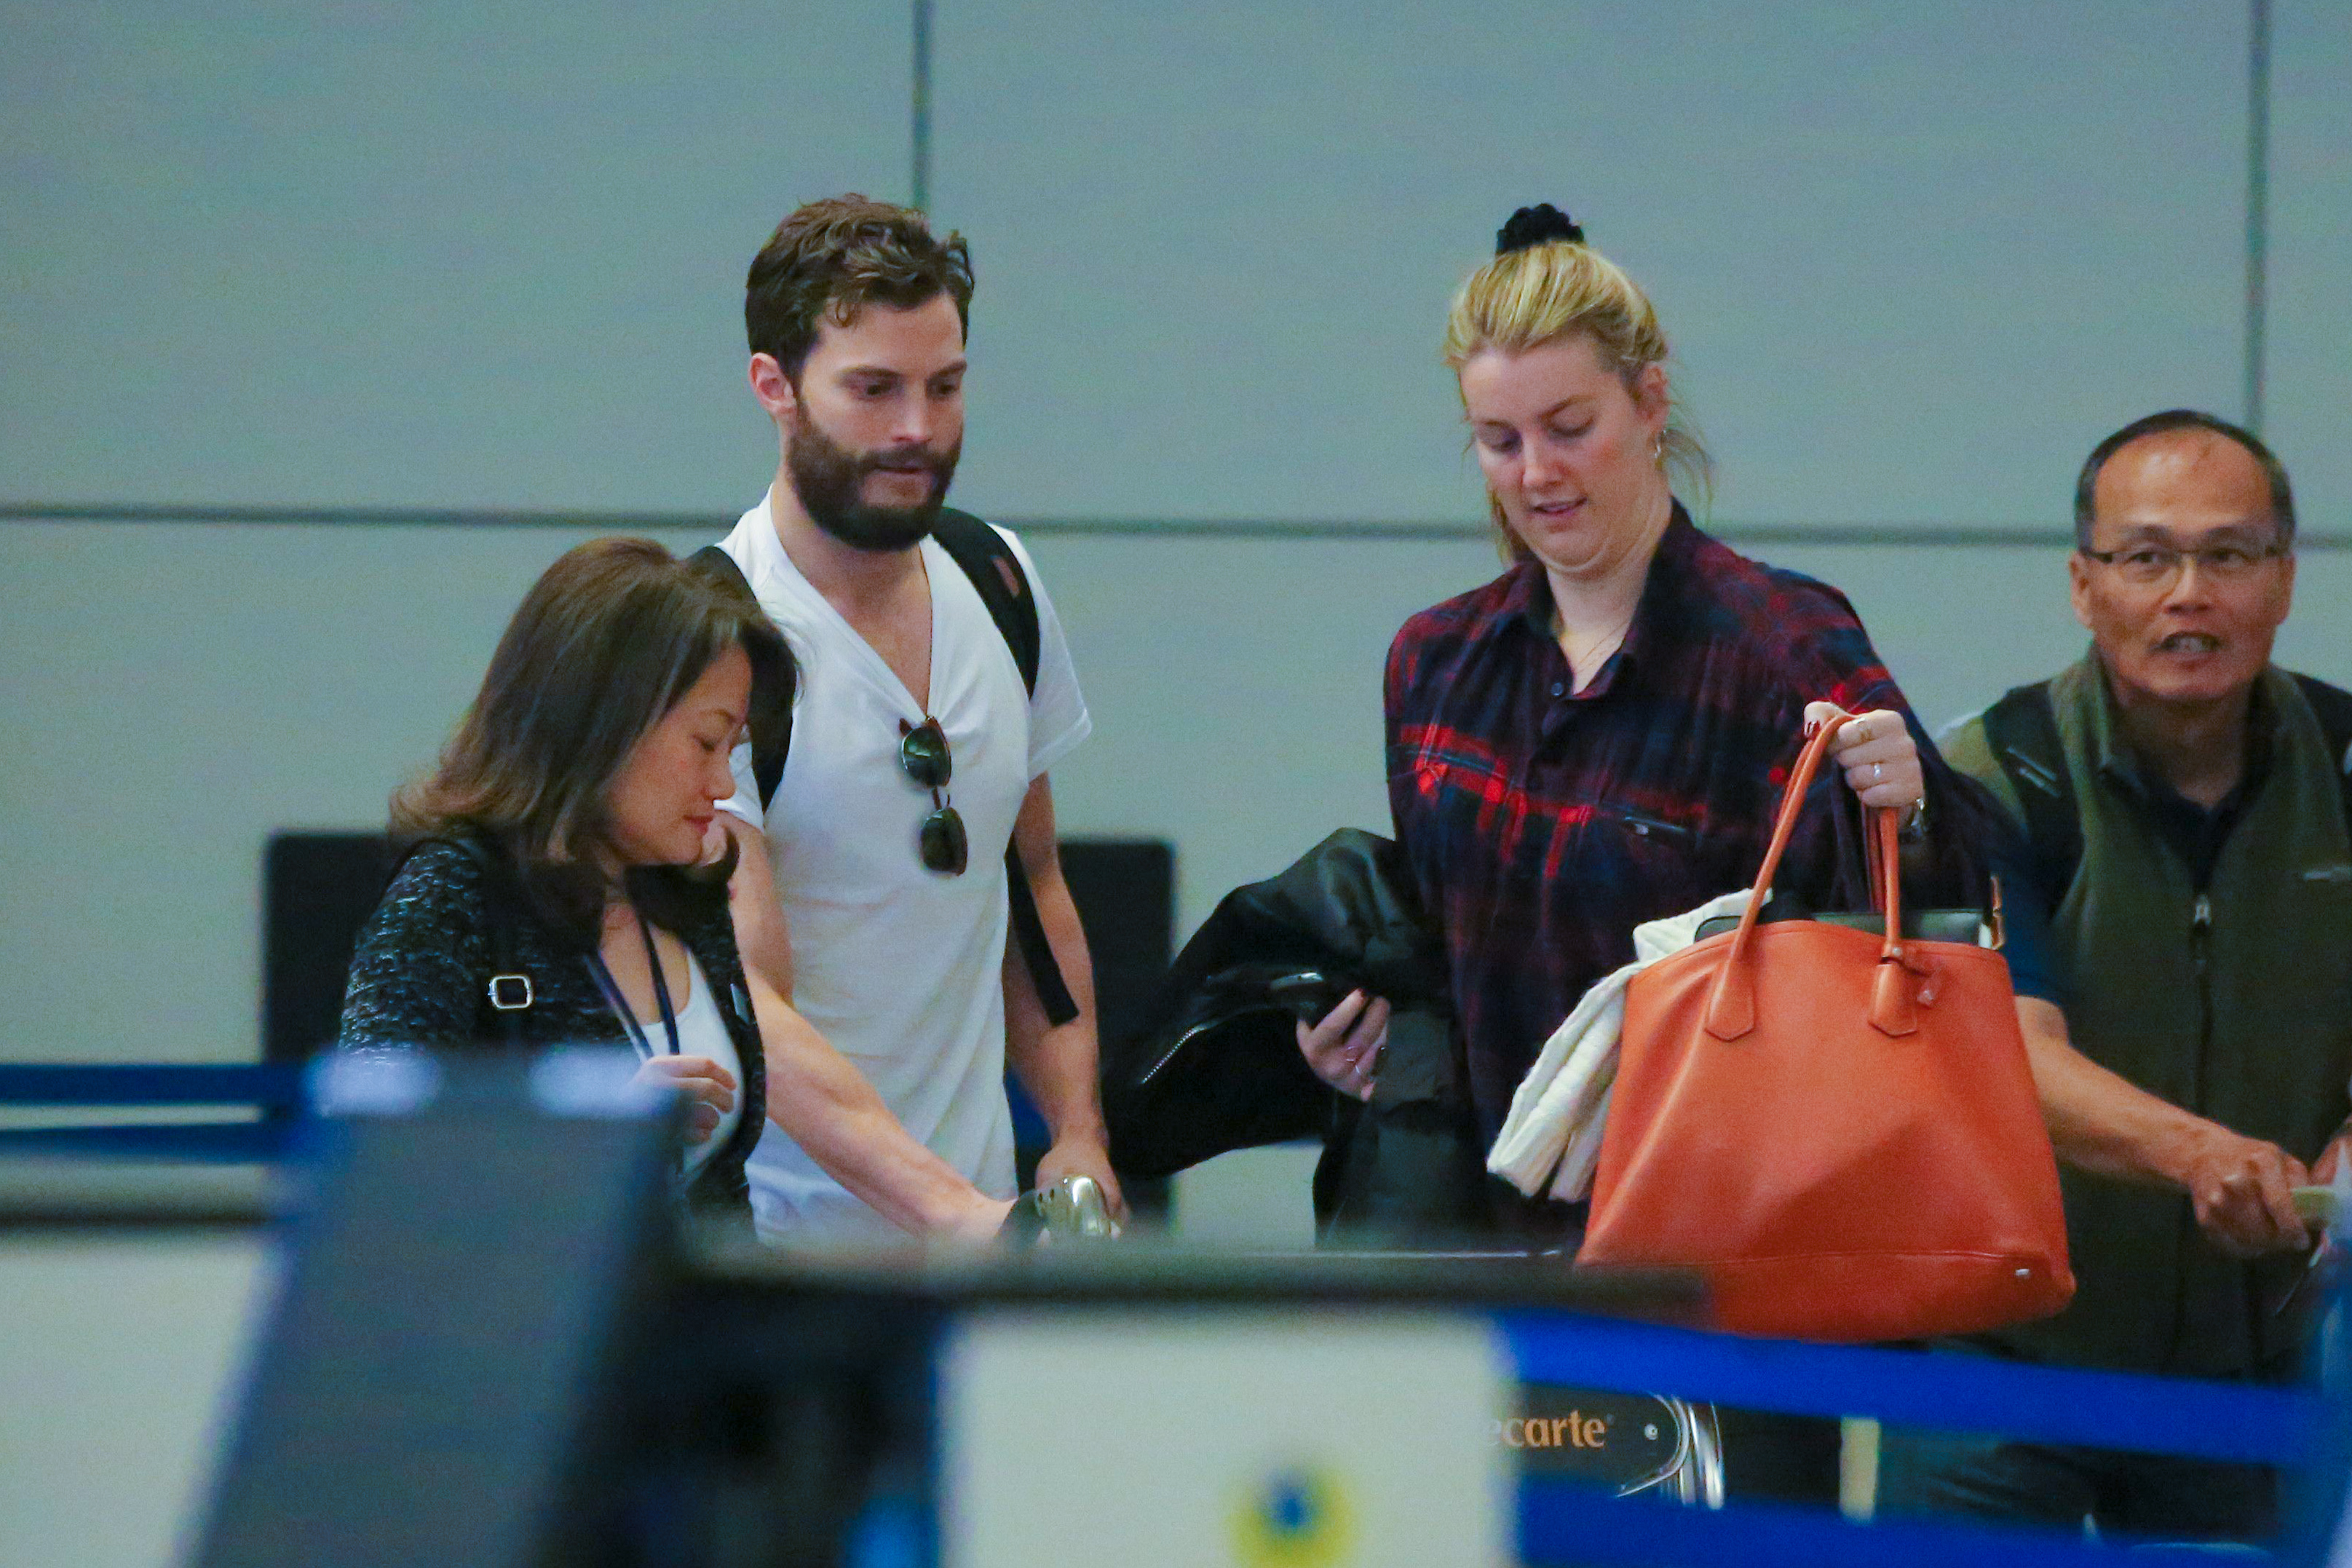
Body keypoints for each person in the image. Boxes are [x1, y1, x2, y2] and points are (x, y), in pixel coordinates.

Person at [1294, 204, 1991, 1503]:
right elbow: (1445, 943)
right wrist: (1357, 1034)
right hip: (1495, 1257)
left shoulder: (1780, 642)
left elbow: (1938, 922)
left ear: (1650, 401)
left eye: (1571, 427)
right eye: (1499, 439)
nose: (1536, 473)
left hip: (1721, 1281)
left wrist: (1910, 806)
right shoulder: (1434, 660)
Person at [1878, 411, 2352, 1544]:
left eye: (2227, 554)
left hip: (2252, 1362)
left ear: (2283, 578)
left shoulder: (2342, 766)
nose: (2188, 593)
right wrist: (2199, 1154)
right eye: (2145, 557)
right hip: (1994, 1353)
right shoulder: (1994, 773)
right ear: (2082, 585)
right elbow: (2008, 1053)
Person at [339, 537, 1012, 1240]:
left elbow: (720, 1193)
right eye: (705, 743)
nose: (722, 785)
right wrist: (584, 1140)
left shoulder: (687, 890)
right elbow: (374, 1158)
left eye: (734, 752)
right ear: (603, 724)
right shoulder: (451, 894)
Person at [710, 195, 1120, 1242]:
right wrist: (956, 1213)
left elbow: (1032, 886)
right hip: (778, 1246)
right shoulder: (711, 634)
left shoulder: (999, 575)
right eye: (873, 389)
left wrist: (1076, 1131)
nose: (916, 430)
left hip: (974, 1237)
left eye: (944, 386)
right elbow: (749, 1000)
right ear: (774, 387)